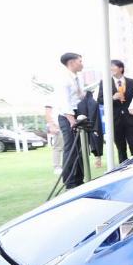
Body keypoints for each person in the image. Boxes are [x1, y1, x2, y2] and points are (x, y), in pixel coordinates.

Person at [97, 59, 133, 163]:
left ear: (121, 68)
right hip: (115, 120)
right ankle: (123, 170)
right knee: (121, 149)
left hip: (131, 119)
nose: (110, 69)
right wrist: (112, 97)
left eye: (113, 66)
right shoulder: (105, 82)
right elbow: (100, 100)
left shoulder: (132, 82)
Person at [53, 52, 85, 189]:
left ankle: (79, 179)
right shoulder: (63, 78)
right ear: (71, 63)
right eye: (80, 61)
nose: (82, 63)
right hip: (67, 116)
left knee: (79, 148)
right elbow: (64, 101)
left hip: (77, 114)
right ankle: (70, 182)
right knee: (71, 148)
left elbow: (79, 97)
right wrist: (71, 119)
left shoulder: (76, 78)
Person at [44, 104, 62, 174]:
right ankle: (57, 167)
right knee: (58, 147)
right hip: (57, 125)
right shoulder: (51, 97)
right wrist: (51, 126)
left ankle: (65, 165)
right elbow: (47, 112)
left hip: (64, 124)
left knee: (66, 147)